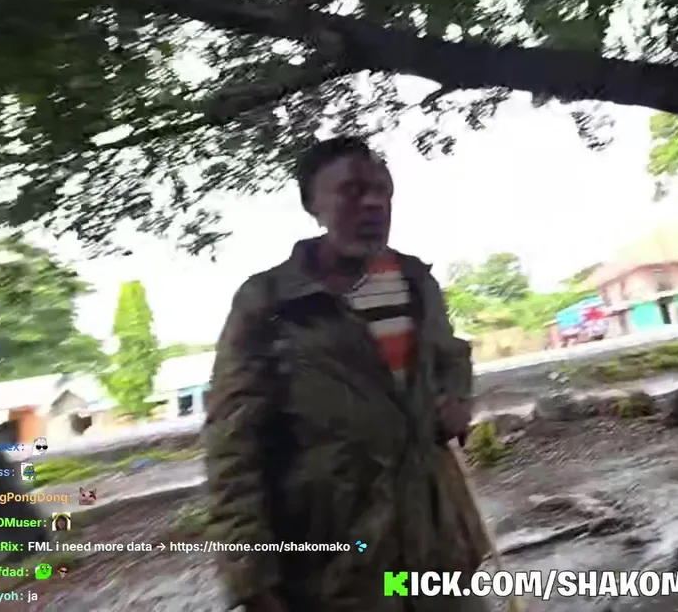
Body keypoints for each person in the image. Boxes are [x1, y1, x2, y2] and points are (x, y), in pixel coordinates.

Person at [204, 137, 492, 612]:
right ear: (312, 204)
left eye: (382, 191)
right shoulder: (270, 302)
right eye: (353, 190)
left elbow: (450, 356)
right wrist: (250, 579)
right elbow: (232, 446)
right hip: (340, 571)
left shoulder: (416, 281)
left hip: (440, 551)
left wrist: (457, 397)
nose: (374, 203)